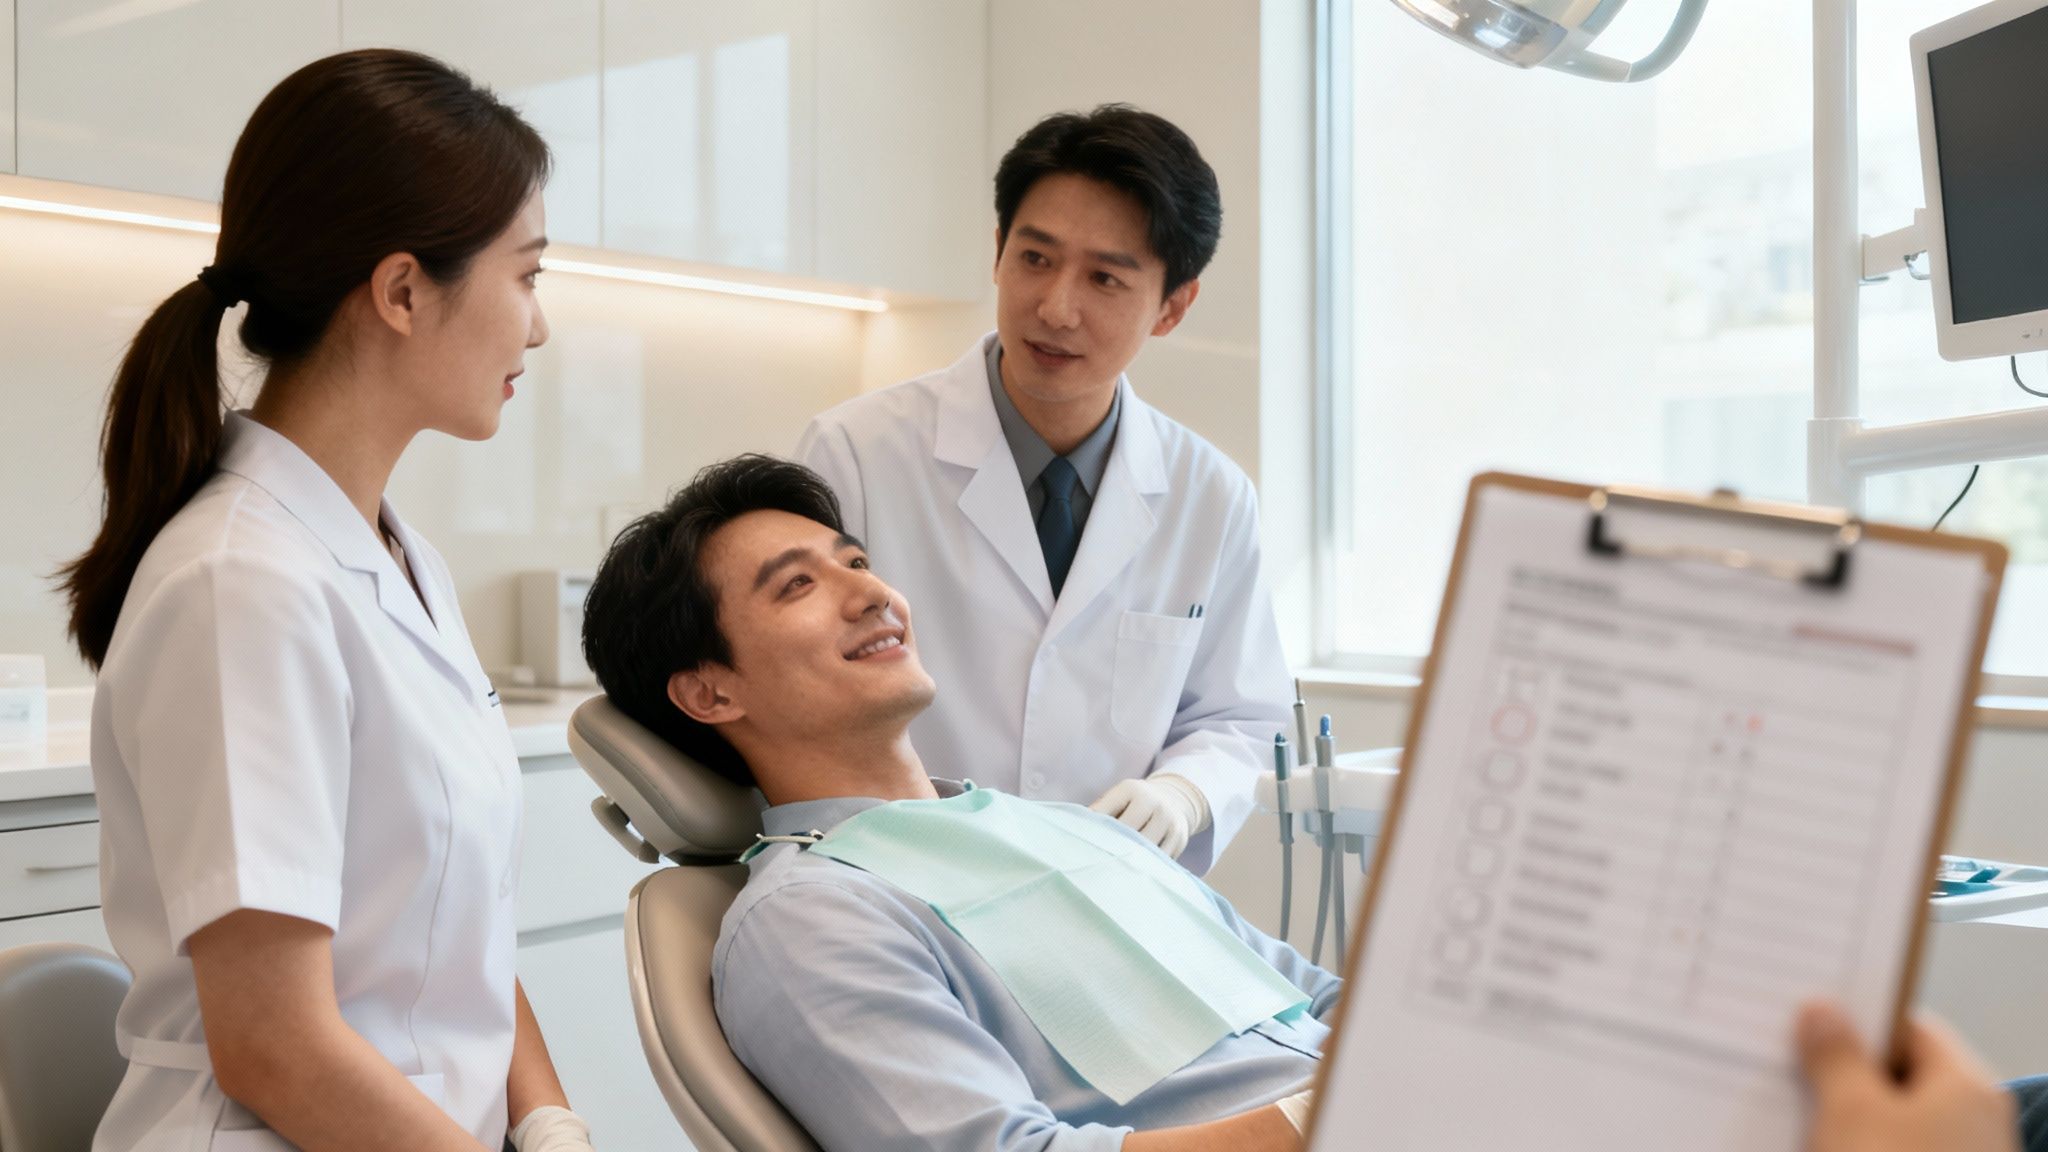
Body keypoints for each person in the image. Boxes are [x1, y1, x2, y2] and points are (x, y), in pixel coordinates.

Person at [580, 453, 2041, 1152]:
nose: (865, 588)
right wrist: (1340, 1110)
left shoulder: (1054, 826)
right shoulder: (808, 922)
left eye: (850, 556)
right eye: (796, 586)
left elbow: (1324, 997)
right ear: (709, 693)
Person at [67, 50, 590, 1152]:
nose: (537, 327)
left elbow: (459, 939)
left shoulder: (394, 557)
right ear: (402, 290)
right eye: (527, 275)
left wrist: (545, 1119)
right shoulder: (241, 583)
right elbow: (274, 1048)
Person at [796, 105, 1291, 874]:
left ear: (1172, 306)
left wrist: (1185, 795)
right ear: (997, 253)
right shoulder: (856, 453)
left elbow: (1239, 717)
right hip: (904, 886)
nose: (1057, 308)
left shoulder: (1211, 496)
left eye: (1104, 278)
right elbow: (797, 689)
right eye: (1035, 259)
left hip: (1116, 898)